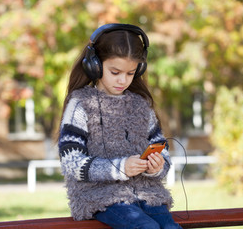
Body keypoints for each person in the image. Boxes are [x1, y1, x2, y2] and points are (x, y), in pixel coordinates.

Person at [58, 23, 182, 229]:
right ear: (95, 65)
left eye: (130, 73)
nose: (123, 80)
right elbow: (71, 163)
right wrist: (120, 167)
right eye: (115, 72)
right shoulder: (81, 104)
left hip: (147, 195)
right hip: (102, 197)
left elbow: (164, 155)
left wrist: (156, 167)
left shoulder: (141, 106)